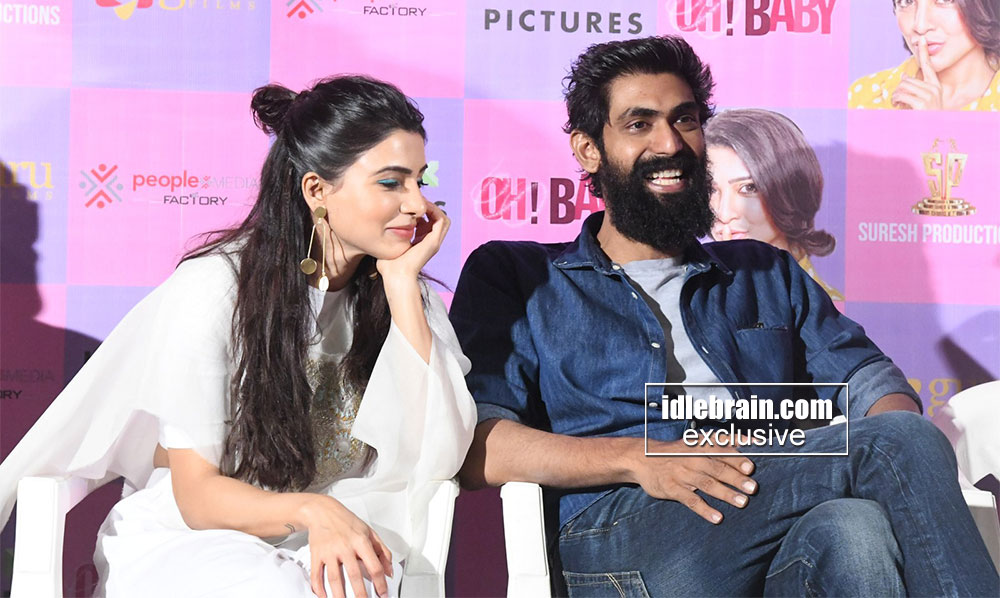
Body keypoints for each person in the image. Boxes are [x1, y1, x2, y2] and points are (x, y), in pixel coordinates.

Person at [451, 36, 999, 596]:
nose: (670, 143)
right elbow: (480, 447)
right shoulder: (518, 274)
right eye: (639, 124)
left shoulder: (761, 270)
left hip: (761, 504)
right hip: (621, 535)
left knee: (855, 530)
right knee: (891, 444)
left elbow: (870, 381)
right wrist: (640, 458)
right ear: (589, 149)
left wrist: (887, 435)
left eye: (685, 119)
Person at [0, 75, 476, 598]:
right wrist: (312, 509)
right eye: (391, 183)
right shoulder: (215, 288)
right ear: (316, 190)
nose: (417, 205)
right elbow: (197, 497)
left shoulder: (404, 294)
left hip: (335, 533)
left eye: (420, 181)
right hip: (196, 540)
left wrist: (402, 283)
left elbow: (438, 453)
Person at [704, 109, 843, 301]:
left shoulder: (823, 307)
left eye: (749, 188)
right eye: (710, 190)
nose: (724, 213)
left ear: (790, 189)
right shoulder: (694, 296)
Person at [848, 0, 1000, 111]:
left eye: (944, 0)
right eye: (907, 2)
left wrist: (933, 128)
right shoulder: (864, 98)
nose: (920, 26)